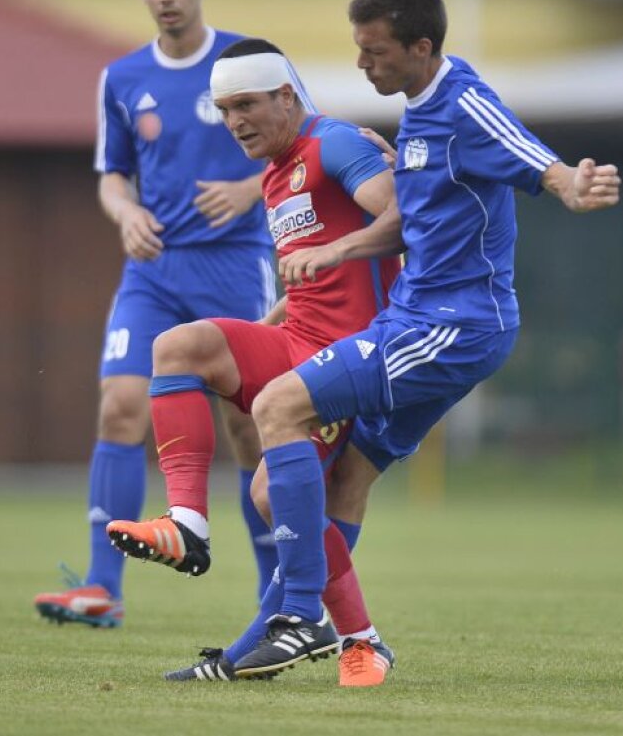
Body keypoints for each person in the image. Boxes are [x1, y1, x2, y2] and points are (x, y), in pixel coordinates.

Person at [231, 0, 622, 676]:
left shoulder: (464, 103)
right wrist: (338, 250)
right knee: (341, 480)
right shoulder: (416, 110)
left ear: (419, 47)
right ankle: (359, 644)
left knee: (275, 406)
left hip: (452, 324)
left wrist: (574, 184)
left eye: (374, 51)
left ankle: (296, 617)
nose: (361, 63)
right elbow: (412, 223)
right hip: (422, 317)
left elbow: (536, 160)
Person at [34, 0, 311, 628]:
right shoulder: (122, 78)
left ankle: (277, 593)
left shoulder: (250, 62)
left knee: (252, 428)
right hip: (153, 271)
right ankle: (102, 587)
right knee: (119, 406)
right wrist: (125, 212)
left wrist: (252, 190)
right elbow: (113, 175)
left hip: (234, 263)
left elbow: (307, 143)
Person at [106, 38, 402, 687]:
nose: (235, 120)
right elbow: (308, 290)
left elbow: (406, 218)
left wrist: (345, 243)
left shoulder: (338, 145)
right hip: (297, 339)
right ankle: (187, 521)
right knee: (178, 346)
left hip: (348, 358)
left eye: (247, 104)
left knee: (274, 493)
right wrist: (262, 325)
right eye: (224, 108)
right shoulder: (274, 175)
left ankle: (355, 636)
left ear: (287, 96)